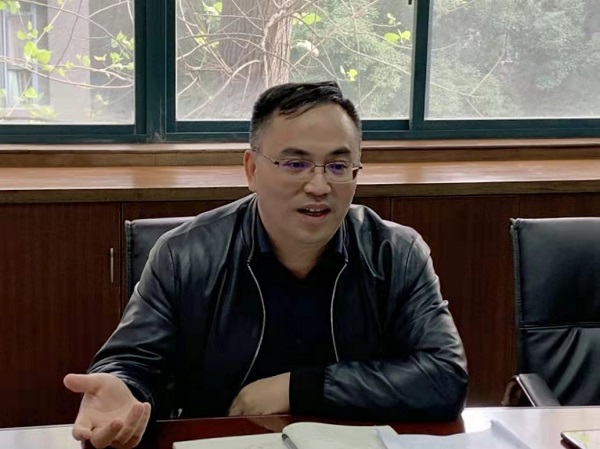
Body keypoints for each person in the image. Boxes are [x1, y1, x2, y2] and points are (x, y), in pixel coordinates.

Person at [64, 81, 468, 449]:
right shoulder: (183, 255)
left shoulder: (395, 253)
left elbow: (444, 376)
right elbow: (133, 362)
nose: (319, 185)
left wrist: (298, 389)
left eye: (338, 166)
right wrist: (123, 390)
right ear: (252, 169)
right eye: (295, 164)